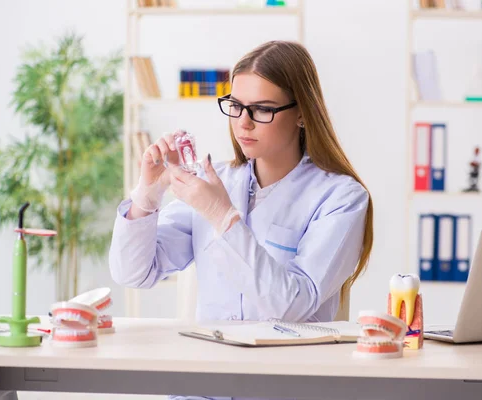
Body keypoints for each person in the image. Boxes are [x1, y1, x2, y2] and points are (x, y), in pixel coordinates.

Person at [108, 40, 374, 400]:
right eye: (235, 106)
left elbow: (292, 307)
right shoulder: (215, 181)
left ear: (301, 113)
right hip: (205, 386)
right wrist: (147, 195)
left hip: (284, 387)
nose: (243, 123)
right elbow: (133, 273)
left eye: (262, 109)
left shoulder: (341, 198)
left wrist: (221, 215)